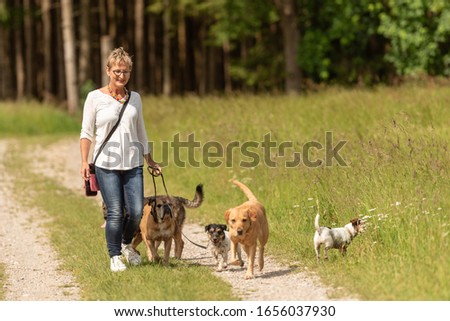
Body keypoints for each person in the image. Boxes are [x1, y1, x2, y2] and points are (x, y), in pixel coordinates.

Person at [80, 47, 161, 272]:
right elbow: (86, 132)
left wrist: (150, 160)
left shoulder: (135, 98)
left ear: (130, 73)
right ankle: (114, 256)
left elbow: (141, 131)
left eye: (125, 71)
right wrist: (85, 161)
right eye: (116, 71)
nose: (121, 75)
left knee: (135, 211)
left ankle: (126, 244)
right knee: (115, 212)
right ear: (108, 71)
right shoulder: (94, 97)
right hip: (106, 164)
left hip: (133, 163)